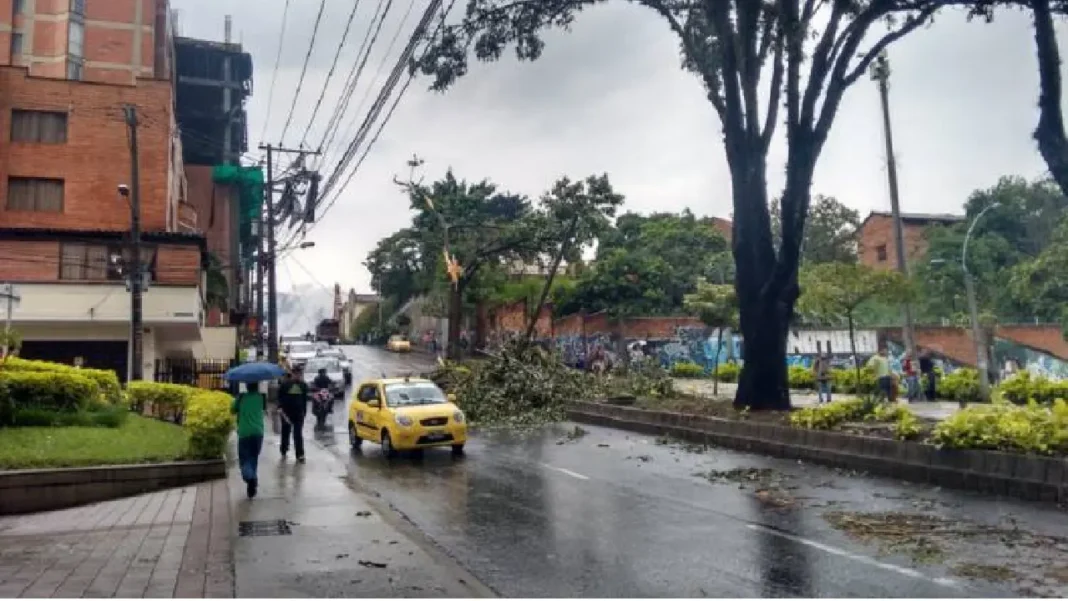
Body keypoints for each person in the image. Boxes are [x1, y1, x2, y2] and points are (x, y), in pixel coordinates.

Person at [232, 381, 267, 498]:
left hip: (244, 433)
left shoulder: (242, 397)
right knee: (253, 458)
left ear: (246, 386)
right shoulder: (261, 397)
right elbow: (264, 408)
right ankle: (252, 483)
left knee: (244, 460)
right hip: (258, 433)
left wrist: (239, 399)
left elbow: (232, 409)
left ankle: (250, 478)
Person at [278, 366, 308, 463]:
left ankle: (300, 454)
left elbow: (304, 399)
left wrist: (304, 412)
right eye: (296, 374)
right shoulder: (285, 385)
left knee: (298, 434)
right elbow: (280, 397)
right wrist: (280, 408)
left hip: (299, 413)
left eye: (299, 374)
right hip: (286, 413)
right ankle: (284, 449)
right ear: (292, 374)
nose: (298, 376)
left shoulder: (303, 385)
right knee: (285, 432)